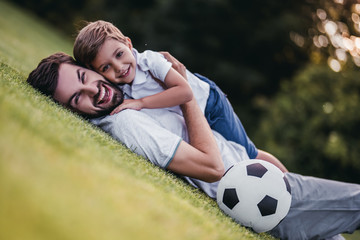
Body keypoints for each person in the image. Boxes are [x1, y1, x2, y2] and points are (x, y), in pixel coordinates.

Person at [27, 52, 360, 240]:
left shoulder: (127, 97)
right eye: (77, 98)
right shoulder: (126, 121)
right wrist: (186, 93)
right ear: (71, 109)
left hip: (264, 187)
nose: (94, 92)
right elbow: (212, 168)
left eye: (85, 79)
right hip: (263, 196)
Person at [72, 20, 271, 165]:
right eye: (106, 67)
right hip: (192, 119)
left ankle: (285, 177)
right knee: (235, 156)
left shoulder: (150, 62)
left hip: (209, 104)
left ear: (128, 44)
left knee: (249, 153)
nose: (119, 67)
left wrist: (141, 102)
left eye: (119, 54)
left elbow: (184, 92)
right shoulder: (119, 88)